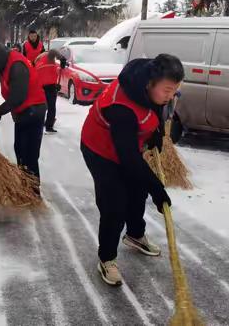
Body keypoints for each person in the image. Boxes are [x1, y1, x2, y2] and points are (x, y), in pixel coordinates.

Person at [80, 54, 184, 286]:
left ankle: (135, 235)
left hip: (126, 144)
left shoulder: (146, 77)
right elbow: (128, 159)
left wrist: (156, 132)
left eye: (174, 90)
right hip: (100, 149)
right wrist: (158, 188)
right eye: (167, 90)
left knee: (137, 190)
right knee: (114, 205)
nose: (170, 96)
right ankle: (106, 259)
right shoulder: (121, 108)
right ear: (150, 83)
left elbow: (156, 105)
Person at [0, 41, 47, 189]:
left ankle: (33, 192)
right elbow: (2, 78)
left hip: (33, 112)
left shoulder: (16, 65)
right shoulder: (6, 63)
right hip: (24, 112)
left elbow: (17, 97)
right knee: (20, 150)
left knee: (29, 154)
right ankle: (25, 186)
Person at [35, 50, 67, 134]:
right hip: (49, 87)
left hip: (40, 86)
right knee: (51, 107)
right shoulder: (48, 56)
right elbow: (53, 51)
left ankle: (39, 124)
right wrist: (62, 58)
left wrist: (56, 84)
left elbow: (45, 74)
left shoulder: (37, 61)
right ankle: (49, 126)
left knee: (42, 106)